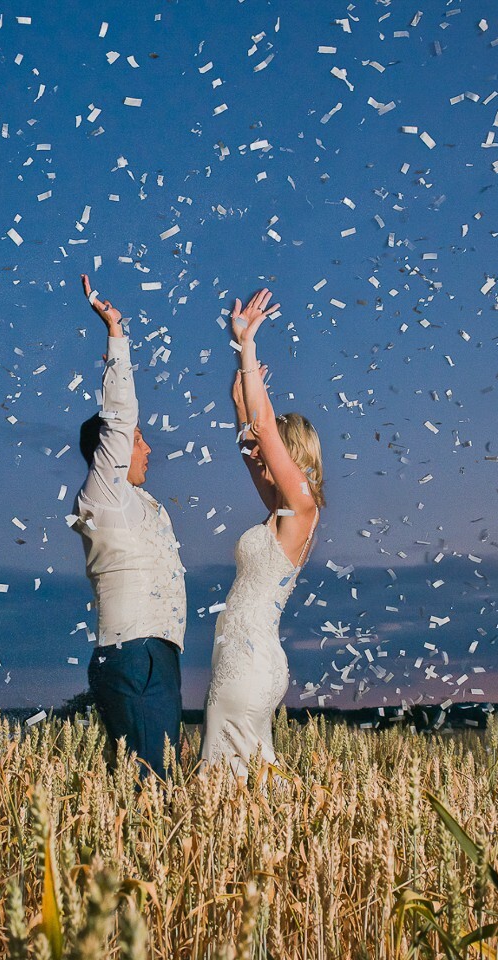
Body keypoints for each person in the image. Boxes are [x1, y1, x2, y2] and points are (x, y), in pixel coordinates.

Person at [200, 288, 325, 777]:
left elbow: (265, 430)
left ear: (289, 454)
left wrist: (247, 346)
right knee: (243, 780)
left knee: (229, 784)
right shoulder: (279, 511)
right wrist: (239, 407)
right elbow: (250, 444)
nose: (254, 452)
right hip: (238, 657)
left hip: (249, 664)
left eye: (265, 448)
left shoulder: (302, 508)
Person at [72, 274, 187, 779]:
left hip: (153, 654)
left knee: (150, 782)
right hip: (134, 653)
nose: (147, 448)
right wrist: (116, 332)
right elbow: (119, 419)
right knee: (153, 787)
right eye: (140, 439)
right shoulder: (106, 494)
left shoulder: (139, 502)